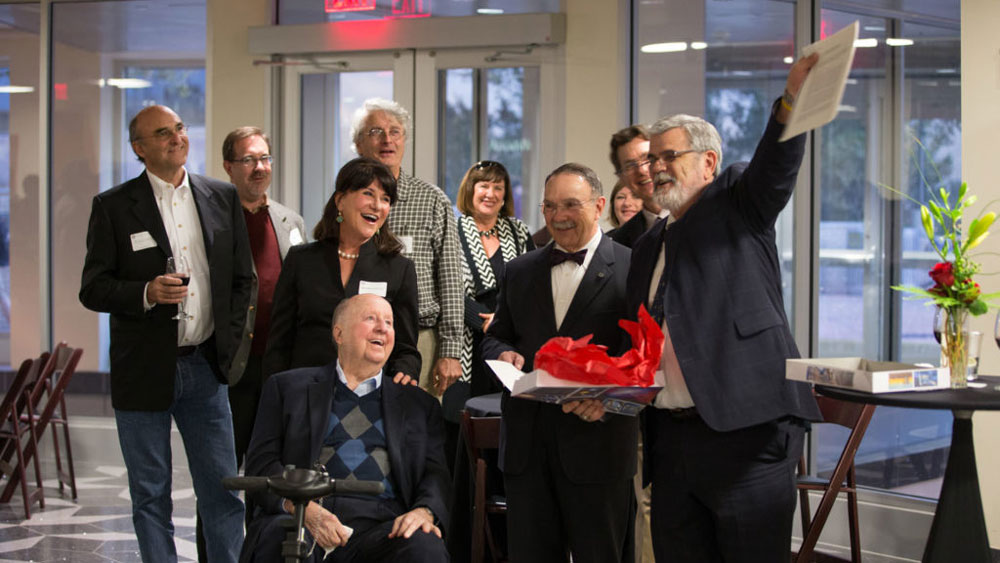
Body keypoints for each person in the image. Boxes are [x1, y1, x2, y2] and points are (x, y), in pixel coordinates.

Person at [625, 54, 822, 563]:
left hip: (746, 434)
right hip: (670, 441)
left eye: (671, 155)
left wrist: (792, 102)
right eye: (652, 160)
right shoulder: (645, 248)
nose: (657, 167)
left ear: (708, 163)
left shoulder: (739, 200)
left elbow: (776, 165)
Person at [79, 105, 250, 563]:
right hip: (143, 372)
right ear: (139, 148)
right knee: (151, 495)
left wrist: (230, 349)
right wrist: (147, 292)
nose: (176, 138)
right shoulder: (113, 206)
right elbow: (93, 288)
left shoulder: (221, 197)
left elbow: (242, 280)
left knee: (223, 492)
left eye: (179, 128)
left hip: (206, 368)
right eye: (162, 133)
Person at [482, 163, 636, 563]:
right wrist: (502, 353)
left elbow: (641, 357)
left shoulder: (632, 268)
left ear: (600, 205)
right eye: (550, 206)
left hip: (597, 446)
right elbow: (496, 335)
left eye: (571, 204)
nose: (559, 216)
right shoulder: (519, 270)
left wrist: (606, 400)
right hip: (527, 449)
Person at [242, 294, 450, 563]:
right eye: (371, 318)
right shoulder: (286, 389)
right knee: (281, 536)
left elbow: (436, 475)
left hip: (382, 525)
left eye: (389, 322)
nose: (383, 328)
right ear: (338, 333)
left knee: (424, 545)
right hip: (305, 514)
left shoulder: (420, 405)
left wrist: (424, 511)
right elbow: (261, 465)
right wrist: (300, 508)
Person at [263, 157, 420, 381]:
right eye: (368, 193)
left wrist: (406, 372)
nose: (377, 206)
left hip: (368, 398)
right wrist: (277, 396)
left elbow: (406, 349)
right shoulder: (301, 260)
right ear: (340, 200)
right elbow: (278, 343)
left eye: (385, 199)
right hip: (305, 393)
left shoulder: (399, 269)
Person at [351, 98, 464, 397]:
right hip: (356, 341)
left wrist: (451, 349)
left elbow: (451, 278)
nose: (387, 139)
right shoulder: (345, 200)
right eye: (376, 131)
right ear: (358, 143)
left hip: (419, 341)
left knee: (414, 436)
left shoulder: (432, 200)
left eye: (395, 131)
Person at [222, 126, 306, 468]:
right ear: (228, 166)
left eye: (264, 158)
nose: (259, 167)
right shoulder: (216, 218)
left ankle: (263, 525)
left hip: (278, 366)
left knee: (271, 466)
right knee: (223, 468)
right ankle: (214, 526)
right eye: (248, 159)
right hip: (232, 366)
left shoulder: (291, 221)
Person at [455, 160, 534, 399]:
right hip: (465, 338)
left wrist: (502, 321)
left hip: (512, 337)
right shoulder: (451, 230)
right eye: (483, 186)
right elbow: (445, 287)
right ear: (471, 190)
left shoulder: (519, 231)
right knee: (464, 418)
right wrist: (483, 321)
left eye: (498, 187)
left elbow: (533, 284)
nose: (490, 193)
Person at [606, 125, 662, 248]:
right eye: (630, 165)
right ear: (621, 178)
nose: (641, 170)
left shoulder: (700, 218)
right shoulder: (618, 242)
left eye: (647, 158)